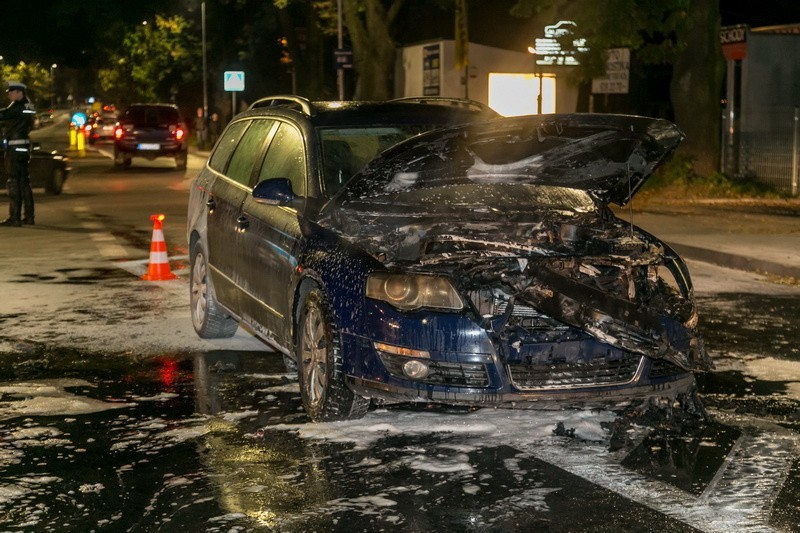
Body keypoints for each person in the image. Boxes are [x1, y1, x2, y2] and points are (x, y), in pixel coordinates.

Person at [0, 81, 36, 226]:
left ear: (19, 93)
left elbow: (4, 114)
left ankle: (14, 217)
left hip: (14, 148)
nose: (9, 95)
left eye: (11, 92)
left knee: (13, 182)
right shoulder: (29, 106)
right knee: (24, 183)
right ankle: (29, 216)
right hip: (24, 147)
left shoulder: (16, 107)